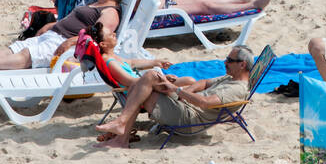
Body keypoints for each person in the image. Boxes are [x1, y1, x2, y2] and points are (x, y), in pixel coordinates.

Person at [95, 46, 255, 148]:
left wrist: (177, 91)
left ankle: (122, 130)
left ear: (242, 65)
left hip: (191, 119)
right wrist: (184, 92)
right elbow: (205, 82)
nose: (225, 62)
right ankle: (122, 133)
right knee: (150, 79)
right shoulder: (231, 77)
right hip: (186, 105)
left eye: (230, 60)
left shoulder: (236, 89)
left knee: (146, 81)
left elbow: (205, 103)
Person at [0, 0, 129, 71]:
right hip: (54, 35)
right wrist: (52, 25)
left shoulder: (111, 12)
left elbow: (98, 36)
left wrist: (72, 41)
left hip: (63, 42)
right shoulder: (97, 4)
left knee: (26, 55)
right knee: (13, 48)